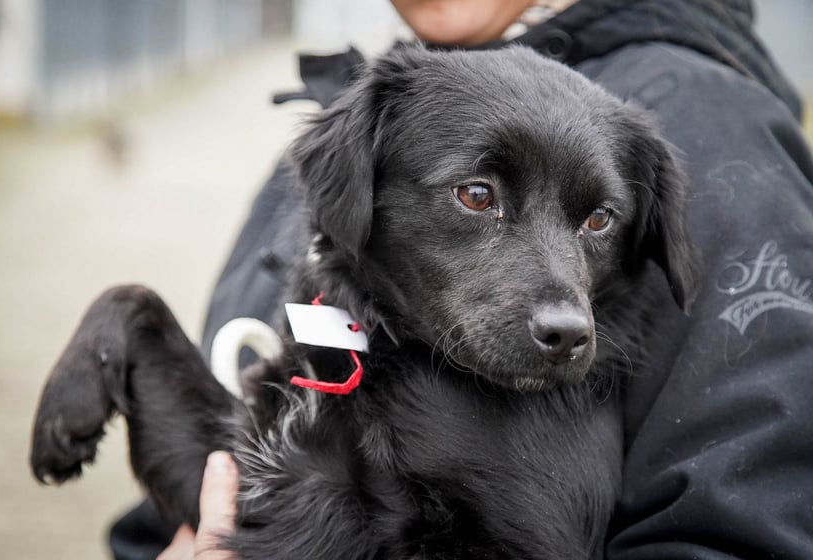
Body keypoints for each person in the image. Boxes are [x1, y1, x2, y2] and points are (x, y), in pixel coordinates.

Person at [113, 0, 813, 558]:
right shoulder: (372, 116)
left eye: (595, 221)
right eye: (477, 196)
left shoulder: (711, 132)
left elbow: (745, 529)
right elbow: (191, 497)